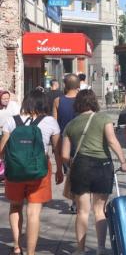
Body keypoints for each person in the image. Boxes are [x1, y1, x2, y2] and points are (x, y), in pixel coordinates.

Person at [61, 90, 126, 255]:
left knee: (82, 211)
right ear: (94, 102)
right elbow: (112, 141)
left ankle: (80, 249)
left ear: (77, 104)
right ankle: (100, 248)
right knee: (99, 210)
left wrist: (71, 165)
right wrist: (123, 161)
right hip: (102, 166)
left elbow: (64, 155)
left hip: (81, 167)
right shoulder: (104, 118)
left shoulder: (71, 125)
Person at [0, 89, 63, 255]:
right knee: (33, 212)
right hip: (39, 169)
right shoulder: (50, 121)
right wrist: (59, 170)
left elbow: (2, 148)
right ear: (44, 104)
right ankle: (31, 252)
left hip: (14, 170)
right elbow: (57, 149)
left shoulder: (11, 121)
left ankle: (16, 245)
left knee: (15, 206)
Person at [53, 74, 81, 213]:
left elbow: (54, 123)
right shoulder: (82, 101)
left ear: (64, 85)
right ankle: (77, 200)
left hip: (64, 141)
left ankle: (76, 200)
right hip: (81, 140)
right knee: (78, 171)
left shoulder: (58, 101)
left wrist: (55, 145)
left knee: (70, 171)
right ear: (78, 86)